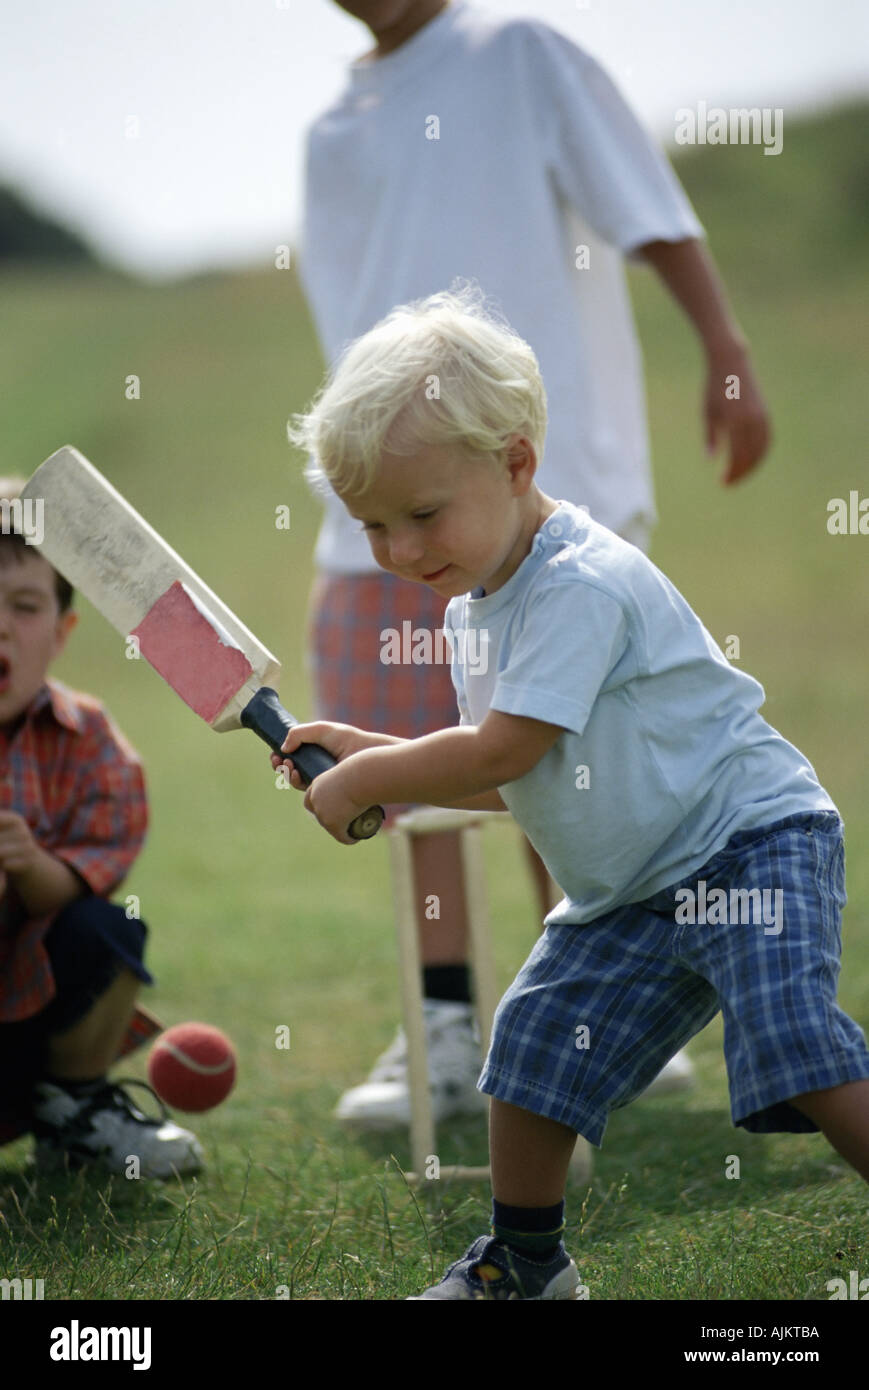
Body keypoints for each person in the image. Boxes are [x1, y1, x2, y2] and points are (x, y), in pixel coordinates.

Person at [280, 292, 869, 1298]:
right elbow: (526, 773)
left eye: (421, 514)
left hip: (745, 843)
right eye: (372, 524)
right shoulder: (477, 603)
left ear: (516, 463)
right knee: (531, 1048)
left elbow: (501, 750)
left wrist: (380, 772)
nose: (400, 551)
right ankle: (525, 1263)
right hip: (630, 887)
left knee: (786, 1034)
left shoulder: (576, 584)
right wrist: (368, 746)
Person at [298, 0, 770, 1127]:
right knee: (424, 777)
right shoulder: (327, 129)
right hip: (389, 503)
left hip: (528, 494)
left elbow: (644, 206)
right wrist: (373, 502)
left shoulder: (516, 52)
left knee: (562, 757)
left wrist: (725, 348)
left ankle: (608, 1012)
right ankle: (445, 1023)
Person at [0, 479, 202, 1178]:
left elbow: (82, 881)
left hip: (27, 1024)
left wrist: (27, 865)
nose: (1, 627)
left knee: (108, 929)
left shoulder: (88, 741)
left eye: (23, 608)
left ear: (61, 631)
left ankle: (74, 1107)